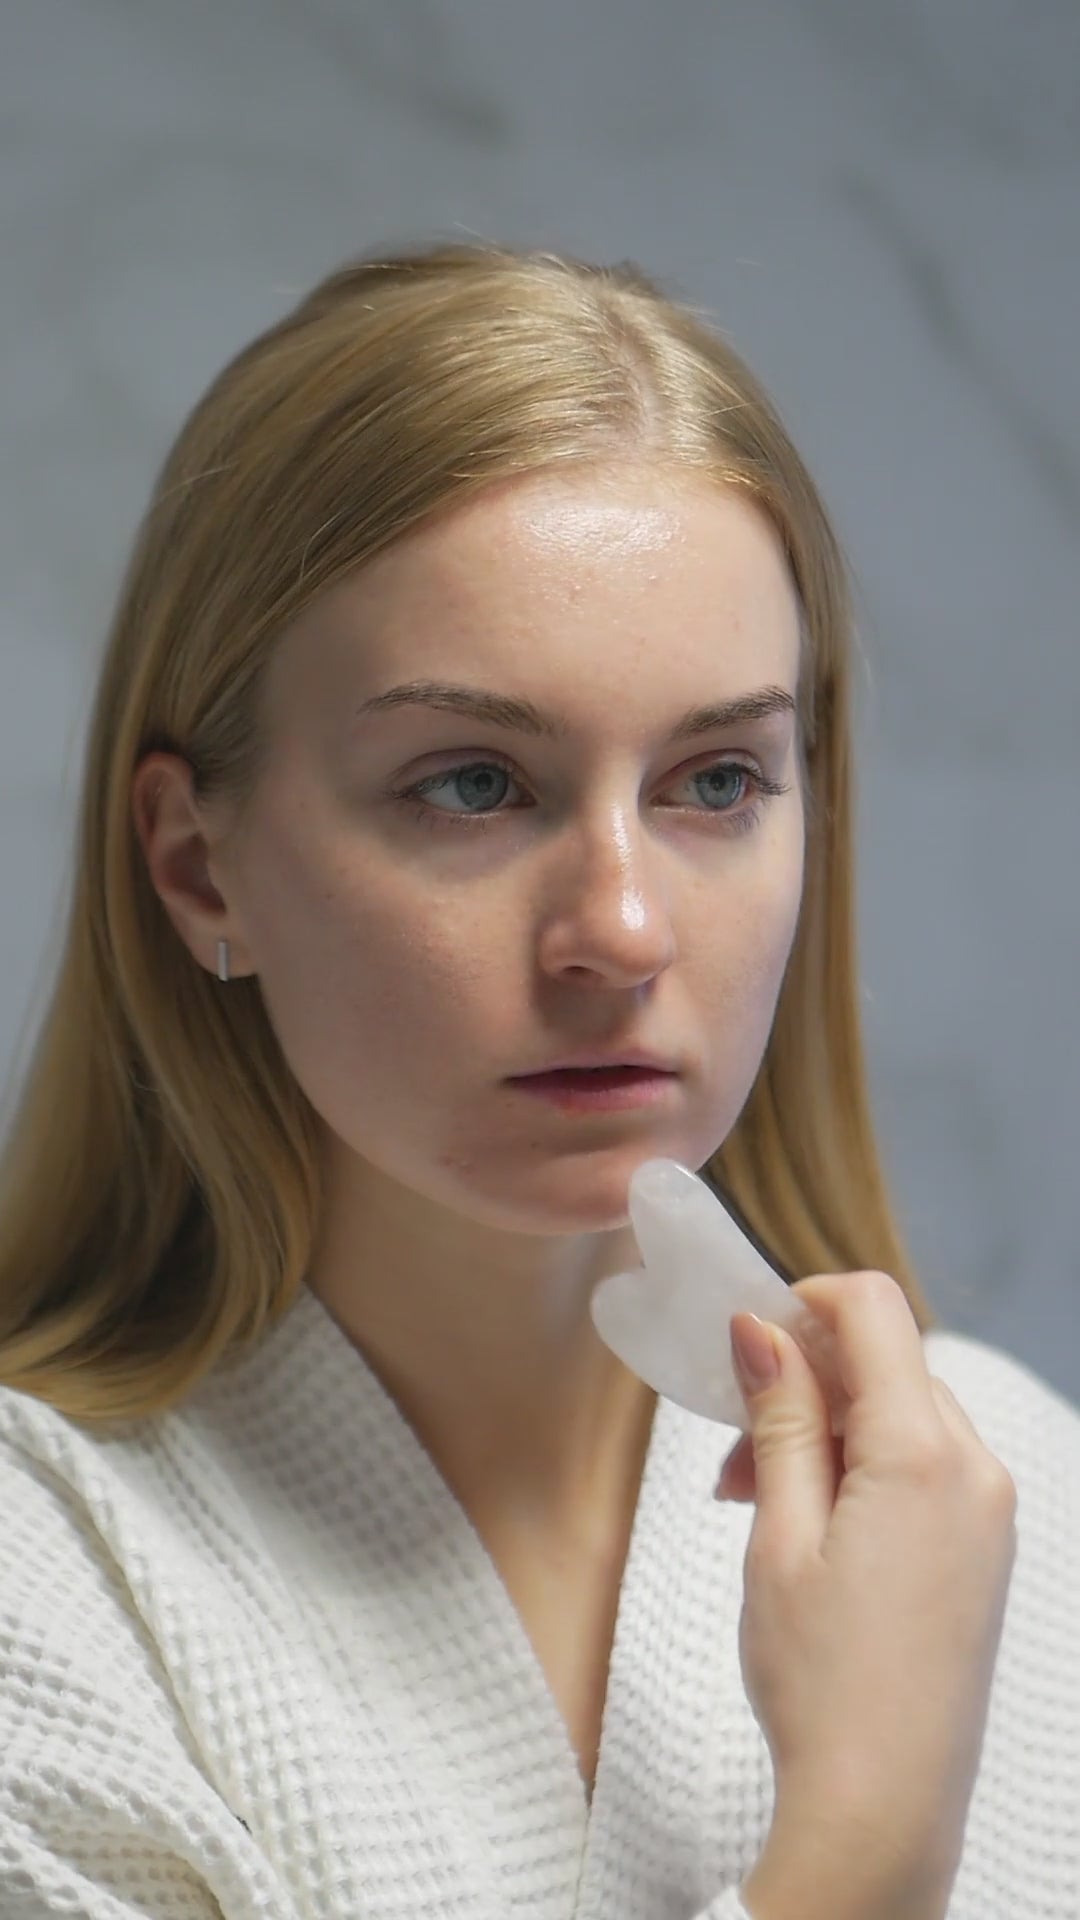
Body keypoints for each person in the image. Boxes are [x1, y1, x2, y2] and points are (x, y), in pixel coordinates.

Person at [0, 242, 1075, 1920]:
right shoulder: (47, 1587)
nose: (622, 930)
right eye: (473, 785)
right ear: (201, 865)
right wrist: (863, 1846)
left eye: (716, 780)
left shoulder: (1020, 1492)